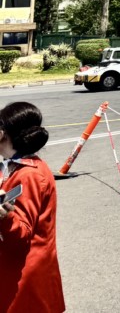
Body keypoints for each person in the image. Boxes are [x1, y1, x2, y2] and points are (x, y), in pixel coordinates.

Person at [0, 101, 63, 313]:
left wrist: (5, 217)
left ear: (2, 134)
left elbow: (20, 237)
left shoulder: (29, 175)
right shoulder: (19, 166)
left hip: (24, 277)